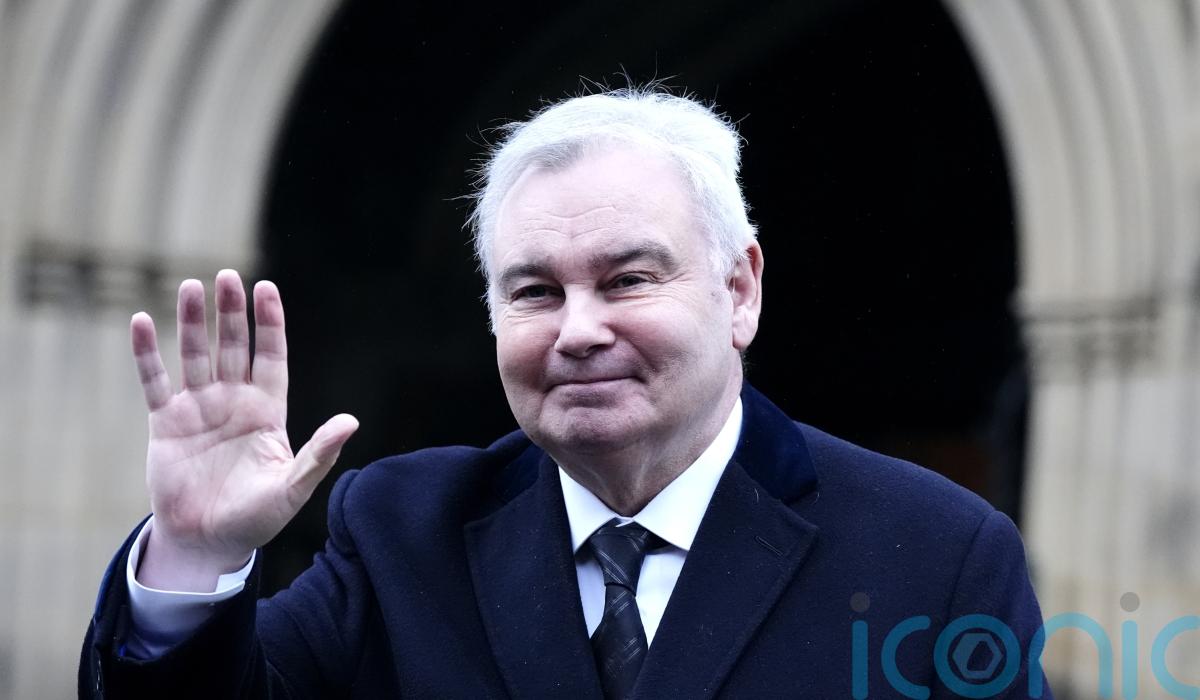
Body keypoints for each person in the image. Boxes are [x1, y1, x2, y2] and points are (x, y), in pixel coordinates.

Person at [80, 87, 1052, 699]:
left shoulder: (938, 554)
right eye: (536, 292)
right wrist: (196, 554)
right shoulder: (401, 529)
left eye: (628, 279)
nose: (578, 329)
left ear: (739, 290)